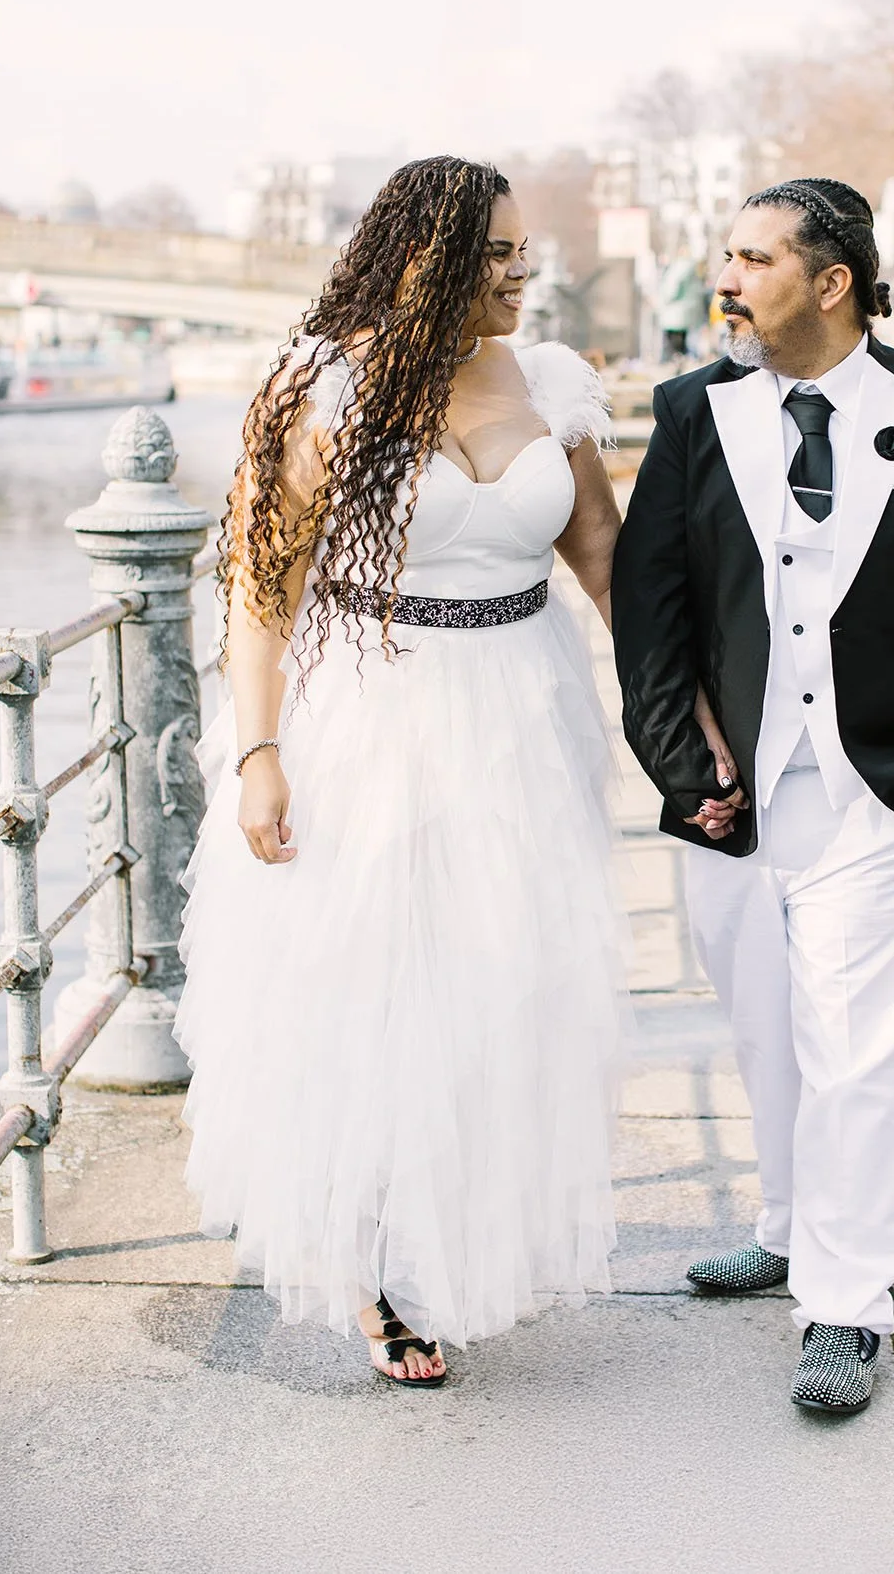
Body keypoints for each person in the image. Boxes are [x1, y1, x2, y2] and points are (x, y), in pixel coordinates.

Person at [175, 156, 633, 1385]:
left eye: (523, 248)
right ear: (420, 261)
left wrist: (678, 707)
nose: (520, 270)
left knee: (502, 987)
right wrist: (260, 752)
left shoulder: (549, 383)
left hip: (525, 716)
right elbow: (261, 590)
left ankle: (458, 1240)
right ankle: (377, 1271)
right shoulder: (324, 390)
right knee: (377, 989)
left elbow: (607, 564)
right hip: (371, 721)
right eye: (493, 253)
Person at [612, 177, 894, 1414]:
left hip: (885, 795)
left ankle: (845, 1304)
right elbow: (653, 615)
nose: (725, 280)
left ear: (830, 280)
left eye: (750, 259)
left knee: (864, 1058)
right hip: (739, 797)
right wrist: (690, 776)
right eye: (727, 257)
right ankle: (789, 1226)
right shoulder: (692, 412)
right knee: (767, 1038)